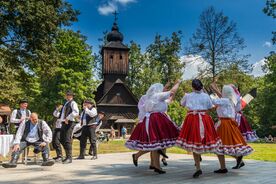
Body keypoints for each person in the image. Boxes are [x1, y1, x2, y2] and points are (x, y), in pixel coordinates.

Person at [125, 82, 179, 174]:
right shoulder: (157, 96)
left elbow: (168, 99)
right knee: (155, 144)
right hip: (156, 120)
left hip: (151, 120)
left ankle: (154, 164)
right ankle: (155, 165)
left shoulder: (150, 98)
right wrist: (178, 83)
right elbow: (171, 92)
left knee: (155, 145)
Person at [176, 79, 221, 178]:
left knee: (193, 141)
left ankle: (198, 168)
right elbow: (210, 107)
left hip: (192, 119)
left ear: (192, 87)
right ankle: (200, 160)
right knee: (204, 139)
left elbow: (181, 104)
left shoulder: (188, 95)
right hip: (204, 118)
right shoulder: (206, 96)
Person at [210, 83, 253, 173]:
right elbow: (221, 97)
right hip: (231, 124)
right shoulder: (230, 101)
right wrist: (216, 89)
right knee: (226, 146)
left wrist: (201, 92)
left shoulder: (224, 101)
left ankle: (223, 167)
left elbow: (212, 101)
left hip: (224, 125)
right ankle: (237, 158)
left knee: (219, 147)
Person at [54, 90, 79, 164]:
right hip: (63, 123)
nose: (67, 96)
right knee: (62, 139)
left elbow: (76, 112)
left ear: (71, 96)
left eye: (68, 95)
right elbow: (59, 115)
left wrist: (68, 118)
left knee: (67, 139)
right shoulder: (66, 103)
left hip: (69, 122)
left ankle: (69, 157)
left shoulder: (73, 103)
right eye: (66, 95)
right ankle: (67, 156)